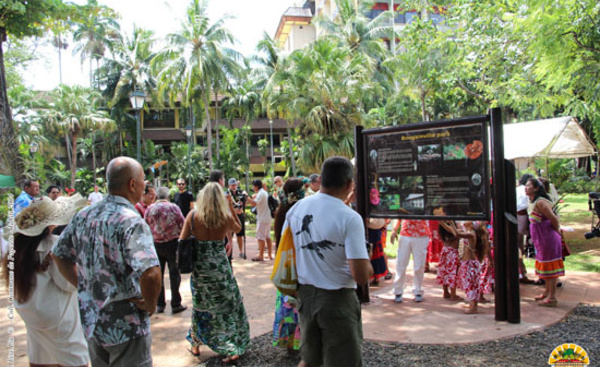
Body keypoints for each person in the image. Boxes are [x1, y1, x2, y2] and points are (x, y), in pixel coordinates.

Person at [52, 156, 162, 367]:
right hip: (126, 326)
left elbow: (59, 254)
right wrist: (149, 304)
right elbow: (151, 272)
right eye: (142, 181)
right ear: (132, 184)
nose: (144, 186)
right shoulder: (131, 221)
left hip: (93, 322)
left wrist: (86, 287)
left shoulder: (83, 215)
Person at [285, 156, 372, 367]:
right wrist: (369, 264)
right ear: (349, 184)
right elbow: (360, 275)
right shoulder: (349, 217)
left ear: (321, 180)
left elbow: (287, 253)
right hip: (337, 300)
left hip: (305, 296)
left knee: (310, 360)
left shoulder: (296, 209)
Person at [7, 194, 89, 367]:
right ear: (51, 223)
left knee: (41, 356)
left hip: (31, 312)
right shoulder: (55, 244)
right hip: (57, 315)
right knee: (74, 357)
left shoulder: (17, 247)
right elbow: (66, 283)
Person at [180, 182, 250, 363]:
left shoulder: (193, 216)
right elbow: (238, 229)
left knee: (201, 305)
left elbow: (183, 240)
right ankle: (231, 345)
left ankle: (196, 344)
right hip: (220, 267)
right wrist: (230, 209)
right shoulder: (224, 216)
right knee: (227, 305)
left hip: (201, 269)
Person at [272, 178, 305, 351]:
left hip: (286, 266)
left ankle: (288, 341)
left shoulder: (281, 212)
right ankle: (301, 341)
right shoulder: (299, 213)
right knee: (299, 303)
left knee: (287, 303)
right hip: (299, 264)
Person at [144, 186, 187, 314]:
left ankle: (160, 304)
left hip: (156, 245)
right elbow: (182, 224)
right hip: (172, 245)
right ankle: (175, 303)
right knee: (174, 274)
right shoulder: (173, 208)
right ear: (167, 196)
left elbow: (145, 226)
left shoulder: (149, 209)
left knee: (159, 275)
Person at [525, 177, 564, 307]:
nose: (526, 188)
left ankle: (552, 297)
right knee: (545, 267)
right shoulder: (532, 201)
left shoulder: (541, 203)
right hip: (540, 240)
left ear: (536, 188)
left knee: (550, 267)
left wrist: (555, 232)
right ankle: (547, 292)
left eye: (529, 186)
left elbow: (554, 219)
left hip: (548, 239)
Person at [390, 219, 430, 303]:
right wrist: (394, 230)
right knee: (401, 263)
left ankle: (418, 290)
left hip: (422, 235)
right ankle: (398, 291)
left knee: (419, 265)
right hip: (405, 234)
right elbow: (398, 215)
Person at [457, 221, 488, 314]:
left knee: (472, 286)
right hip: (468, 263)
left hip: (471, 264)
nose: (464, 222)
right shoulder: (469, 232)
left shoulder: (471, 234)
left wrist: (448, 222)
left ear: (471, 225)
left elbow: (456, 233)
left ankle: (474, 307)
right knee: (469, 285)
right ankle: (472, 304)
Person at [247, 179, 273, 261]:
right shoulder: (263, 193)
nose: (253, 187)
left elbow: (254, 203)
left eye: (253, 186)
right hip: (267, 218)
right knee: (267, 237)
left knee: (260, 238)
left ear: (256, 186)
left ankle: (261, 255)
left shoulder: (261, 193)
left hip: (262, 219)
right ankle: (269, 255)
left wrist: (246, 197)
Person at [436, 221, 462, 301]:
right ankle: (453, 294)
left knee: (444, 272)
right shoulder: (452, 228)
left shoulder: (442, 229)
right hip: (452, 252)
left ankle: (446, 292)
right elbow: (456, 232)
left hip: (445, 250)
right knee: (452, 273)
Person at [516, 173, 535, 283]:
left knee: (519, 249)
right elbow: (522, 207)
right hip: (520, 222)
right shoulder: (523, 191)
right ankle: (522, 274)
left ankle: (522, 272)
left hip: (519, 221)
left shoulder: (518, 189)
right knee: (518, 249)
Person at [227, 178, 248, 259]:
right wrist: (234, 210)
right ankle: (230, 252)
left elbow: (245, 202)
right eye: (232, 185)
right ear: (229, 185)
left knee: (240, 234)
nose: (234, 186)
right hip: (230, 216)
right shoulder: (227, 193)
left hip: (240, 215)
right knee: (230, 234)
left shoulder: (241, 193)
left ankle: (241, 252)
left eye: (235, 185)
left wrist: (242, 207)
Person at [367, 217, 388, 286]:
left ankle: (373, 277)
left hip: (370, 230)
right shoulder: (378, 208)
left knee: (370, 253)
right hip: (376, 230)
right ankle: (376, 277)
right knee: (377, 253)